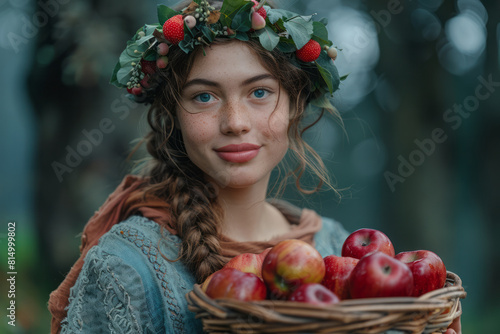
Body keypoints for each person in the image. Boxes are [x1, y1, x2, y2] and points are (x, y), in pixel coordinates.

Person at [48, 1, 461, 333]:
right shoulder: (127, 268)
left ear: (295, 107)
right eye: (204, 97)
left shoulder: (335, 247)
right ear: (173, 114)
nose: (236, 122)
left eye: (259, 92)